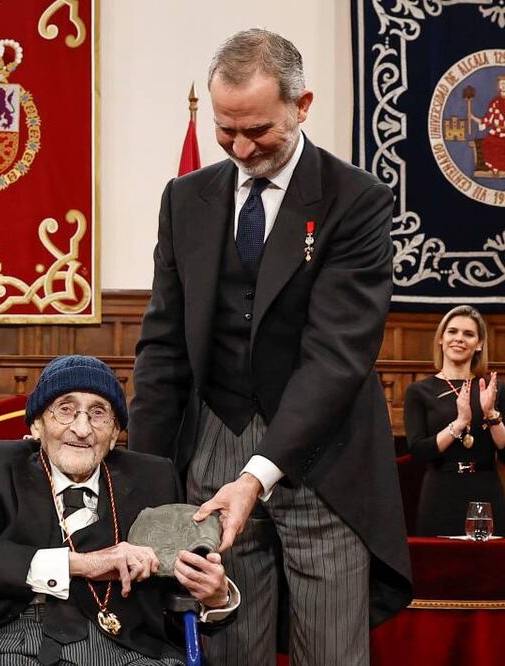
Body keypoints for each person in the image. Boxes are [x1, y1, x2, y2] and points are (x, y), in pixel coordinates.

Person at [129, 28, 411, 665]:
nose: (239, 146)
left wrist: (258, 475)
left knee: (330, 651)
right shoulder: (186, 200)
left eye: (256, 130)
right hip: (212, 451)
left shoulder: (355, 201)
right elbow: (163, 349)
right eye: (225, 130)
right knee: (227, 647)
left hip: (322, 462)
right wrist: (144, 476)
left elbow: (337, 356)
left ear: (301, 104)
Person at [0, 355, 239, 665]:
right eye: (65, 409)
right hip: (14, 640)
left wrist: (216, 598)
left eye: (98, 413)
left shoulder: (153, 478)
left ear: (115, 432)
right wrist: (78, 564)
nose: (81, 428)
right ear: (37, 424)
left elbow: (178, 585)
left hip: (127, 646)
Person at [404, 305, 505, 536]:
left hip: (485, 491)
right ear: (441, 339)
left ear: (479, 344)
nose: (459, 339)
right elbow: (419, 452)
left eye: (468, 334)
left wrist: (491, 415)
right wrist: (459, 423)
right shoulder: (419, 391)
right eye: (452, 332)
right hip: (440, 492)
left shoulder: (495, 389)